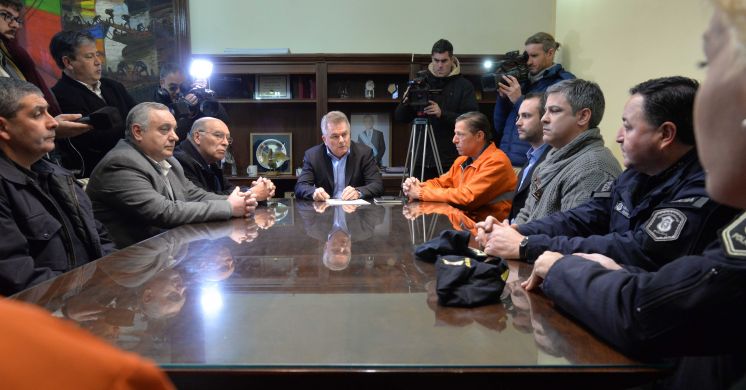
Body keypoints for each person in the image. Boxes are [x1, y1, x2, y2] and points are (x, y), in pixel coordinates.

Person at [518, 3, 746, 388]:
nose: (619, 136)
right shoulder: (634, 175)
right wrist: (525, 236)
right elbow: (595, 221)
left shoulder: (695, 187)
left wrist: (554, 262)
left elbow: (646, 306)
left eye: (717, 67)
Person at [478, 76, 738, 271]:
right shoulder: (637, 174)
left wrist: (526, 245)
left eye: (628, 127)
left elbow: (639, 248)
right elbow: (586, 216)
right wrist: (519, 231)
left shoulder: (707, 188)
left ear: (666, 135)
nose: (618, 137)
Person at [0, 78, 115, 295]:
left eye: (49, 113)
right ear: (3, 128)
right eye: (37, 114)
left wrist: (111, 281)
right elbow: (17, 277)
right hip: (48, 315)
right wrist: (84, 293)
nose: (53, 123)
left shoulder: (61, 176)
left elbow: (101, 239)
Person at [86, 102, 257, 248]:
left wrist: (240, 201)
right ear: (138, 132)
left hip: (164, 253)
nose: (175, 137)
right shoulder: (120, 163)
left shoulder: (170, 161)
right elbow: (164, 212)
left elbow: (194, 194)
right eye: (164, 130)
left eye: (174, 129)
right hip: (126, 267)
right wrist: (229, 207)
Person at [513, 78, 621, 224]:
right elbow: (527, 213)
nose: (544, 119)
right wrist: (506, 232)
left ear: (583, 116)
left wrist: (516, 241)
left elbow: (571, 237)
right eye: (545, 111)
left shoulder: (593, 169)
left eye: (554, 111)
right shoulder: (550, 160)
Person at [49, 30, 137, 177]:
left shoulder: (113, 86)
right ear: (68, 62)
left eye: (97, 54)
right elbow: (94, 140)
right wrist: (136, 130)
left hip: (134, 161)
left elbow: (138, 113)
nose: (98, 61)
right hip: (102, 172)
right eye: (89, 56)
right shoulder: (60, 96)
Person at [0, 0, 91, 139]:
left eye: (17, 19)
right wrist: (50, 126)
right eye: (5, 15)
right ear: (67, 61)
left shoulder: (11, 56)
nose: (15, 25)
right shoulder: (12, 55)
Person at [402, 111, 516, 222]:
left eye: (460, 134)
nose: (454, 140)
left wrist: (420, 193)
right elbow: (440, 183)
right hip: (466, 223)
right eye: (455, 134)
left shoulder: (497, 161)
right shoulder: (462, 161)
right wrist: (416, 186)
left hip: (490, 231)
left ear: (479, 136)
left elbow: (467, 197)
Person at [394, 39, 478, 179]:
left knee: (446, 199)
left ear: (452, 59)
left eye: (444, 61)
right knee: (416, 198)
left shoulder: (464, 86)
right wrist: (404, 103)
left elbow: (472, 121)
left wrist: (442, 113)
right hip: (420, 159)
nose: (439, 65)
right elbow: (400, 117)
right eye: (436, 60)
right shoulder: (420, 82)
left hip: (449, 160)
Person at [493, 32, 575, 167]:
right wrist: (502, 99)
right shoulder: (522, 83)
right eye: (527, 56)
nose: (529, 62)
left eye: (534, 56)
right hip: (505, 161)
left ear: (550, 53)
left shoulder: (563, 83)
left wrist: (519, 100)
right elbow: (500, 127)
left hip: (534, 164)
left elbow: (556, 124)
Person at [173, 117, 275, 200]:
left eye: (228, 138)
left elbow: (228, 189)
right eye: (218, 135)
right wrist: (251, 194)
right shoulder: (180, 161)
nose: (225, 143)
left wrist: (254, 190)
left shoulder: (210, 162)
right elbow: (205, 200)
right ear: (197, 137)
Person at [295, 111, 384, 201]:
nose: (341, 140)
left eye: (344, 134)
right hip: (325, 211)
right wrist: (314, 192)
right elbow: (300, 186)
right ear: (325, 139)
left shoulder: (364, 153)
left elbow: (377, 185)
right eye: (335, 136)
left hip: (356, 211)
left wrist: (358, 192)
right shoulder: (313, 156)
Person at [155, 62, 229, 142]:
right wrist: (183, 107)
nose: (178, 91)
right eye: (173, 87)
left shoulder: (190, 94)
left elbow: (224, 121)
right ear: (162, 83)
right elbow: (172, 136)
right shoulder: (152, 102)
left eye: (182, 87)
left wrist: (205, 95)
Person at [509, 92, 551, 222]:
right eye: (518, 116)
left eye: (526, 116)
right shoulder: (531, 157)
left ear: (545, 118)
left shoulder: (553, 160)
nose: (518, 123)